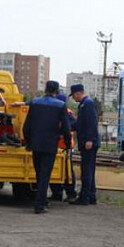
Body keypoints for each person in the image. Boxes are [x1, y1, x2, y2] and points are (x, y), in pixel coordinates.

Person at [23, 81, 71, 214]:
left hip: (35, 144)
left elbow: (27, 125)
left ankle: (42, 200)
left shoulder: (35, 102)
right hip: (50, 145)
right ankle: (39, 205)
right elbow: (66, 127)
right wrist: (67, 144)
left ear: (45, 89)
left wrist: (28, 142)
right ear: (57, 91)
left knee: (39, 174)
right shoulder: (60, 105)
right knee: (45, 175)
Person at [69, 84, 99, 205]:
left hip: (89, 142)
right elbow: (79, 124)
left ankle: (84, 197)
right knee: (89, 170)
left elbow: (92, 122)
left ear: (78, 93)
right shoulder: (84, 104)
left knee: (86, 170)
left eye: (74, 96)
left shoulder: (87, 104)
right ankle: (91, 196)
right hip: (87, 141)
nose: (73, 98)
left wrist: (90, 140)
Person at [49, 93, 77, 203]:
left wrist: (60, 134)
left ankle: (70, 193)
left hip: (64, 146)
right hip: (60, 145)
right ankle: (57, 193)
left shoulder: (67, 113)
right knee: (57, 170)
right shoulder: (65, 112)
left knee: (67, 171)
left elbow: (69, 127)